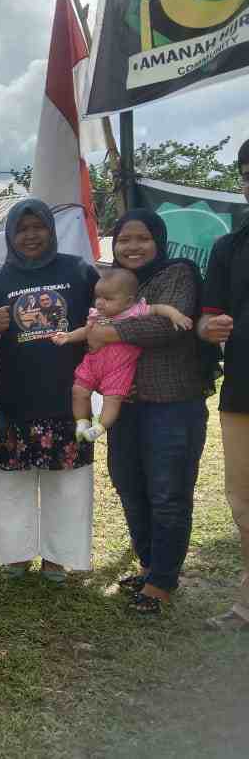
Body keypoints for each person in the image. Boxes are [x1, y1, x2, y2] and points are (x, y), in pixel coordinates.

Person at [88, 209, 212, 614]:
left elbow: (166, 327)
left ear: (158, 240)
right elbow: (91, 329)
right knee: (129, 485)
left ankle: (162, 580)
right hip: (124, 404)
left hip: (173, 406)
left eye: (142, 238)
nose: (132, 247)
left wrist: (111, 331)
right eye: (124, 239)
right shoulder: (114, 283)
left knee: (168, 494)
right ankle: (149, 564)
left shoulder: (178, 273)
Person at [0, 198, 98, 583]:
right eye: (22, 229)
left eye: (37, 227)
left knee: (67, 482)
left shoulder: (78, 271)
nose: (30, 236)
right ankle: (15, 555)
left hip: (67, 398)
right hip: (14, 399)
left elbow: (106, 317)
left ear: (50, 230)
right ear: (10, 235)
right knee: (12, 482)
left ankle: (58, 558)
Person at [199, 137, 249, 632]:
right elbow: (206, 319)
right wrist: (205, 328)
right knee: (244, 502)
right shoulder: (228, 246)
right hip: (243, 391)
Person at [52, 267, 192, 442]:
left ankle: (101, 426)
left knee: (113, 399)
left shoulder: (134, 311)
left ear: (128, 301)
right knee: (78, 390)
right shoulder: (97, 314)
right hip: (94, 362)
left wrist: (176, 315)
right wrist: (68, 336)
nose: (100, 303)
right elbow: (86, 331)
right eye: (98, 297)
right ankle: (82, 422)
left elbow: (158, 309)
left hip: (118, 368)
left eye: (108, 299)